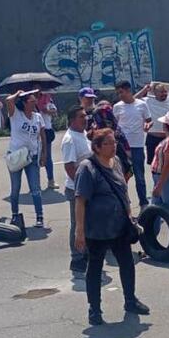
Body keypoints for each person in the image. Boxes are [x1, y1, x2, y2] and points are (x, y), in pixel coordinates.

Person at [73, 128, 150, 326]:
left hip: (119, 226)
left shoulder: (116, 162)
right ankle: (95, 310)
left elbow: (122, 190)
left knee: (126, 263)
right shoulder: (87, 168)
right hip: (97, 229)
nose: (114, 146)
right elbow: (80, 201)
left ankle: (130, 301)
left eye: (114, 142)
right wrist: (79, 231)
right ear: (97, 147)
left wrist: (129, 216)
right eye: (108, 143)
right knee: (95, 268)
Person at [5, 89, 46, 228]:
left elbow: (42, 136)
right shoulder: (16, 114)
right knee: (15, 188)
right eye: (31, 100)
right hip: (17, 156)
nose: (34, 102)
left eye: (35, 100)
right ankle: (15, 215)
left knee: (35, 188)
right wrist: (17, 94)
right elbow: (8, 101)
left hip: (32, 156)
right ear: (24, 102)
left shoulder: (37, 117)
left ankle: (39, 217)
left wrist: (43, 154)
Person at [61, 105, 93, 277]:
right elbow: (69, 167)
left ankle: (86, 252)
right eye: (81, 116)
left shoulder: (83, 134)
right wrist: (82, 187)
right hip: (77, 189)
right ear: (72, 120)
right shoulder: (70, 139)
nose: (85, 118)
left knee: (87, 223)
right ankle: (77, 258)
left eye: (85, 116)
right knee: (78, 224)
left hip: (86, 186)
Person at [113, 80, 152, 207]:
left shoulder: (141, 105)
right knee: (122, 178)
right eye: (118, 93)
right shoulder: (117, 107)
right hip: (122, 148)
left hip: (137, 147)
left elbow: (149, 120)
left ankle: (144, 204)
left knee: (139, 177)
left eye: (121, 92)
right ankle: (124, 204)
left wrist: (147, 125)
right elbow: (114, 125)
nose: (120, 95)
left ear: (129, 90)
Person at [137, 82, 169, 165]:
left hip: (167, 139)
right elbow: (132, 101)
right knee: (154, 164)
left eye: (165, 92)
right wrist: (144, 90)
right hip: (152, 138)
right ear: (155, 93)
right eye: (161, 92)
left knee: (168, 164)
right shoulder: (147, 101)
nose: (164, 94)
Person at [37, 91, 59, 190]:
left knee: (48, 156)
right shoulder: (29, 102)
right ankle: (35, 183)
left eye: (39, 89)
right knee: (35, 157)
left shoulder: (48, 99)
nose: (38, 90)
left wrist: (47, 109)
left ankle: (51, 180)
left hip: (47, 130)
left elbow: (55, 113)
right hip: (34, 132)